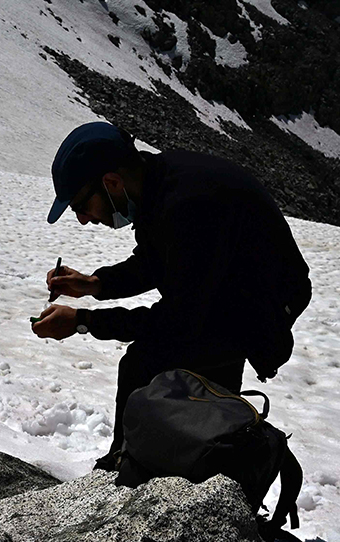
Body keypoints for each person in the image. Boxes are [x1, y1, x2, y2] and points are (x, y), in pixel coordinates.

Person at [33, 122, 311, 468]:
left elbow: (177, 320)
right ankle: (180, 462)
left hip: (260, 308)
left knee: (146, 364)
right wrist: (95, 283)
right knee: (188, 378)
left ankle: (131, 466)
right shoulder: (157, 183)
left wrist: (83, 321)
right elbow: (156, 260)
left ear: (112, 182)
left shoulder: (189, 204)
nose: (83, 220)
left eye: (80, 206)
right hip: (230, 294)